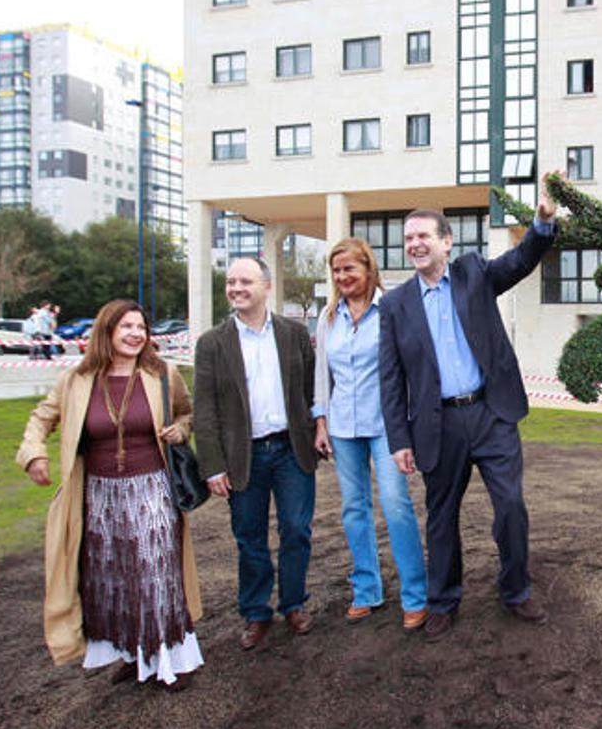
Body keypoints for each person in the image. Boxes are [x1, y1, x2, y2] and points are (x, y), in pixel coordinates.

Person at [379, 177, 558, 642]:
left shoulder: (474, 273)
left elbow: (520, 261)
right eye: (409, 238)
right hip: (437, 426)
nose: (415, 244)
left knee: (511, 507)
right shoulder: (395, 305)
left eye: (424, 236)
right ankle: (443, 601)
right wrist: (399, 439)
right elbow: (391, 379)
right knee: (441, 517)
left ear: (446, 242)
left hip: (491, 413)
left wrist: (540, 223)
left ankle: (516, 590)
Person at [16, 299, 203, 688]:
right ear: (107, 332)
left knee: (155, 573)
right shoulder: (77, 380)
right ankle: (134, 654)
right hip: (100, 497)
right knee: (113, 578)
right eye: (127, 327)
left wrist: (181, 430)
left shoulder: (162, 374)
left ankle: (172, 659)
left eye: (141, 327)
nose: (136, 334)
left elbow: (188, 412)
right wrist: (34, 454)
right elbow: (41, 418)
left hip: (152, 488)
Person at [194, 257, 319, 650]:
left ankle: (294, 603)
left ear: (266, 286)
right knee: (249, 537)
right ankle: (256, 612)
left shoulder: (295, 334)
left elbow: (312, 390)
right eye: (231, 282)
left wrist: (320, 429)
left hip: (290, 449)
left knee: (296, 530)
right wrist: (212, 465)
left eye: (245, 281)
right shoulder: (212, 343)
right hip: (242, 456)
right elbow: (205, 409)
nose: (236, 288)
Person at [313, 238, 428, 630]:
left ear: (368, 269)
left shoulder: (392, 310)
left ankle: (415, 595)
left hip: (386, 426)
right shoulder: (328, 318)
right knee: (353, 509)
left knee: (396, 505)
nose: (343, 277)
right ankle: (366, 590)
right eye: (337, 271)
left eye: (350, 269)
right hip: (343, 426)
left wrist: (410, 427)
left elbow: (409, 370)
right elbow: (321, 377)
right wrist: (321, 422)